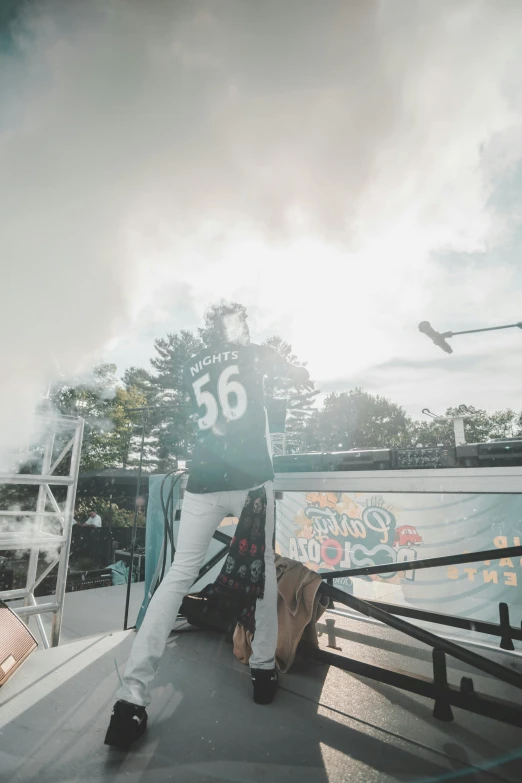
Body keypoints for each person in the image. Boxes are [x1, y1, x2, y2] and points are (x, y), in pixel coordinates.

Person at [104, 304, 312, 749]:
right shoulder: (254, 352)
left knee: (179, 574)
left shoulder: (191, 366)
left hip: (201, 480)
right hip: (252, 480)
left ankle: (130, 699)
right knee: (264, 571)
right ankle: (261, 670)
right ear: (241, 328)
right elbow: (297, 378)